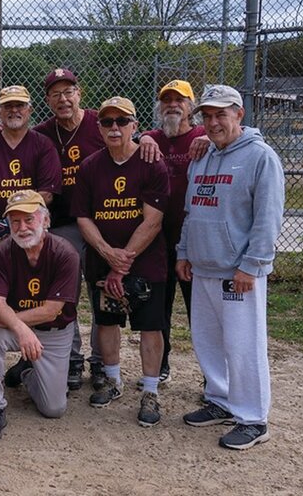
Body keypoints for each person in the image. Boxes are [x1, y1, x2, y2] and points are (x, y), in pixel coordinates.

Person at [177, 85, 284, 450]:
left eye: (220, 114)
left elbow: (267, 220)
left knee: (243, 346)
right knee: (207, 341)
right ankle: (220, 399)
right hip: (204, 266)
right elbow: (191, 212)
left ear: (239, 113)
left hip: (238, 272)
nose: (213, 122)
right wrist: (184, 251)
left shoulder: (260, 157)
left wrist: (251, 266)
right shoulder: (203, 156)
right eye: (206, 116)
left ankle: (253, 417)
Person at [71, 96, 170, 427]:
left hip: (144, 259)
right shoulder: (90, 166)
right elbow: (83, 217)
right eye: (107, 122)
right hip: (103, 257)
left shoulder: (151, 163)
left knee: (150, 325)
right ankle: (113, 381)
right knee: (108, 321)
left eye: (122, 121)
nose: (115, 128)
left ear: (134, 125)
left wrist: (122, 260)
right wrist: (106, 253)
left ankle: (151, 390)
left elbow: (152, 221)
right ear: (98, 127)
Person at [0, 191, 80, 440]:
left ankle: (25, 372)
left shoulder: (66, 253)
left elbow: (51, 310)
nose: (22, 228)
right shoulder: (2, 252)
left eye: (29, 220)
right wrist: (21, 330)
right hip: (15, 328)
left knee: (54, 409)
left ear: (45, 221)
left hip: (55, 331)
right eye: (15, 221)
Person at [32, 68, 106, 391]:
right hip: (63, 223)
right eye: (55, 94)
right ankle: (73, 357)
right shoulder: (43, 133)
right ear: (48, 100)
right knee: (66, 292)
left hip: (102, 221)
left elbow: (131, 138)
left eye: (68, 92)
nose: (63, 99)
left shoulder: (101, 123)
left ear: (80, 93)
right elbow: (14, 136)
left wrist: (147, 140)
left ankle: (101, 360)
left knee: (101, 290)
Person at [0, 85, 61, 323]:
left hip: (31, 227)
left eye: (19, 106)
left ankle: (35, 347)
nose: (14, 110)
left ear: (29, 110)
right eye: (7, 106)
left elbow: (47, 192)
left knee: (36, 289)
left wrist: (18, 223)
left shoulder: (42, 144)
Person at [137, 80, 208, 384]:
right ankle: (161, 365)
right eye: (166, 101)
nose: (172, 105)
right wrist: (141, 138)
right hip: (157, 240)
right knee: (159, 308)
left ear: (192, 107)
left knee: (201, 314)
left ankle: (211, 376)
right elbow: (123, 138)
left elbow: (238, 135)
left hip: (193, 241)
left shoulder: (203, 136)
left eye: (180, 101)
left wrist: (208, 139)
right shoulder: (151, 138)